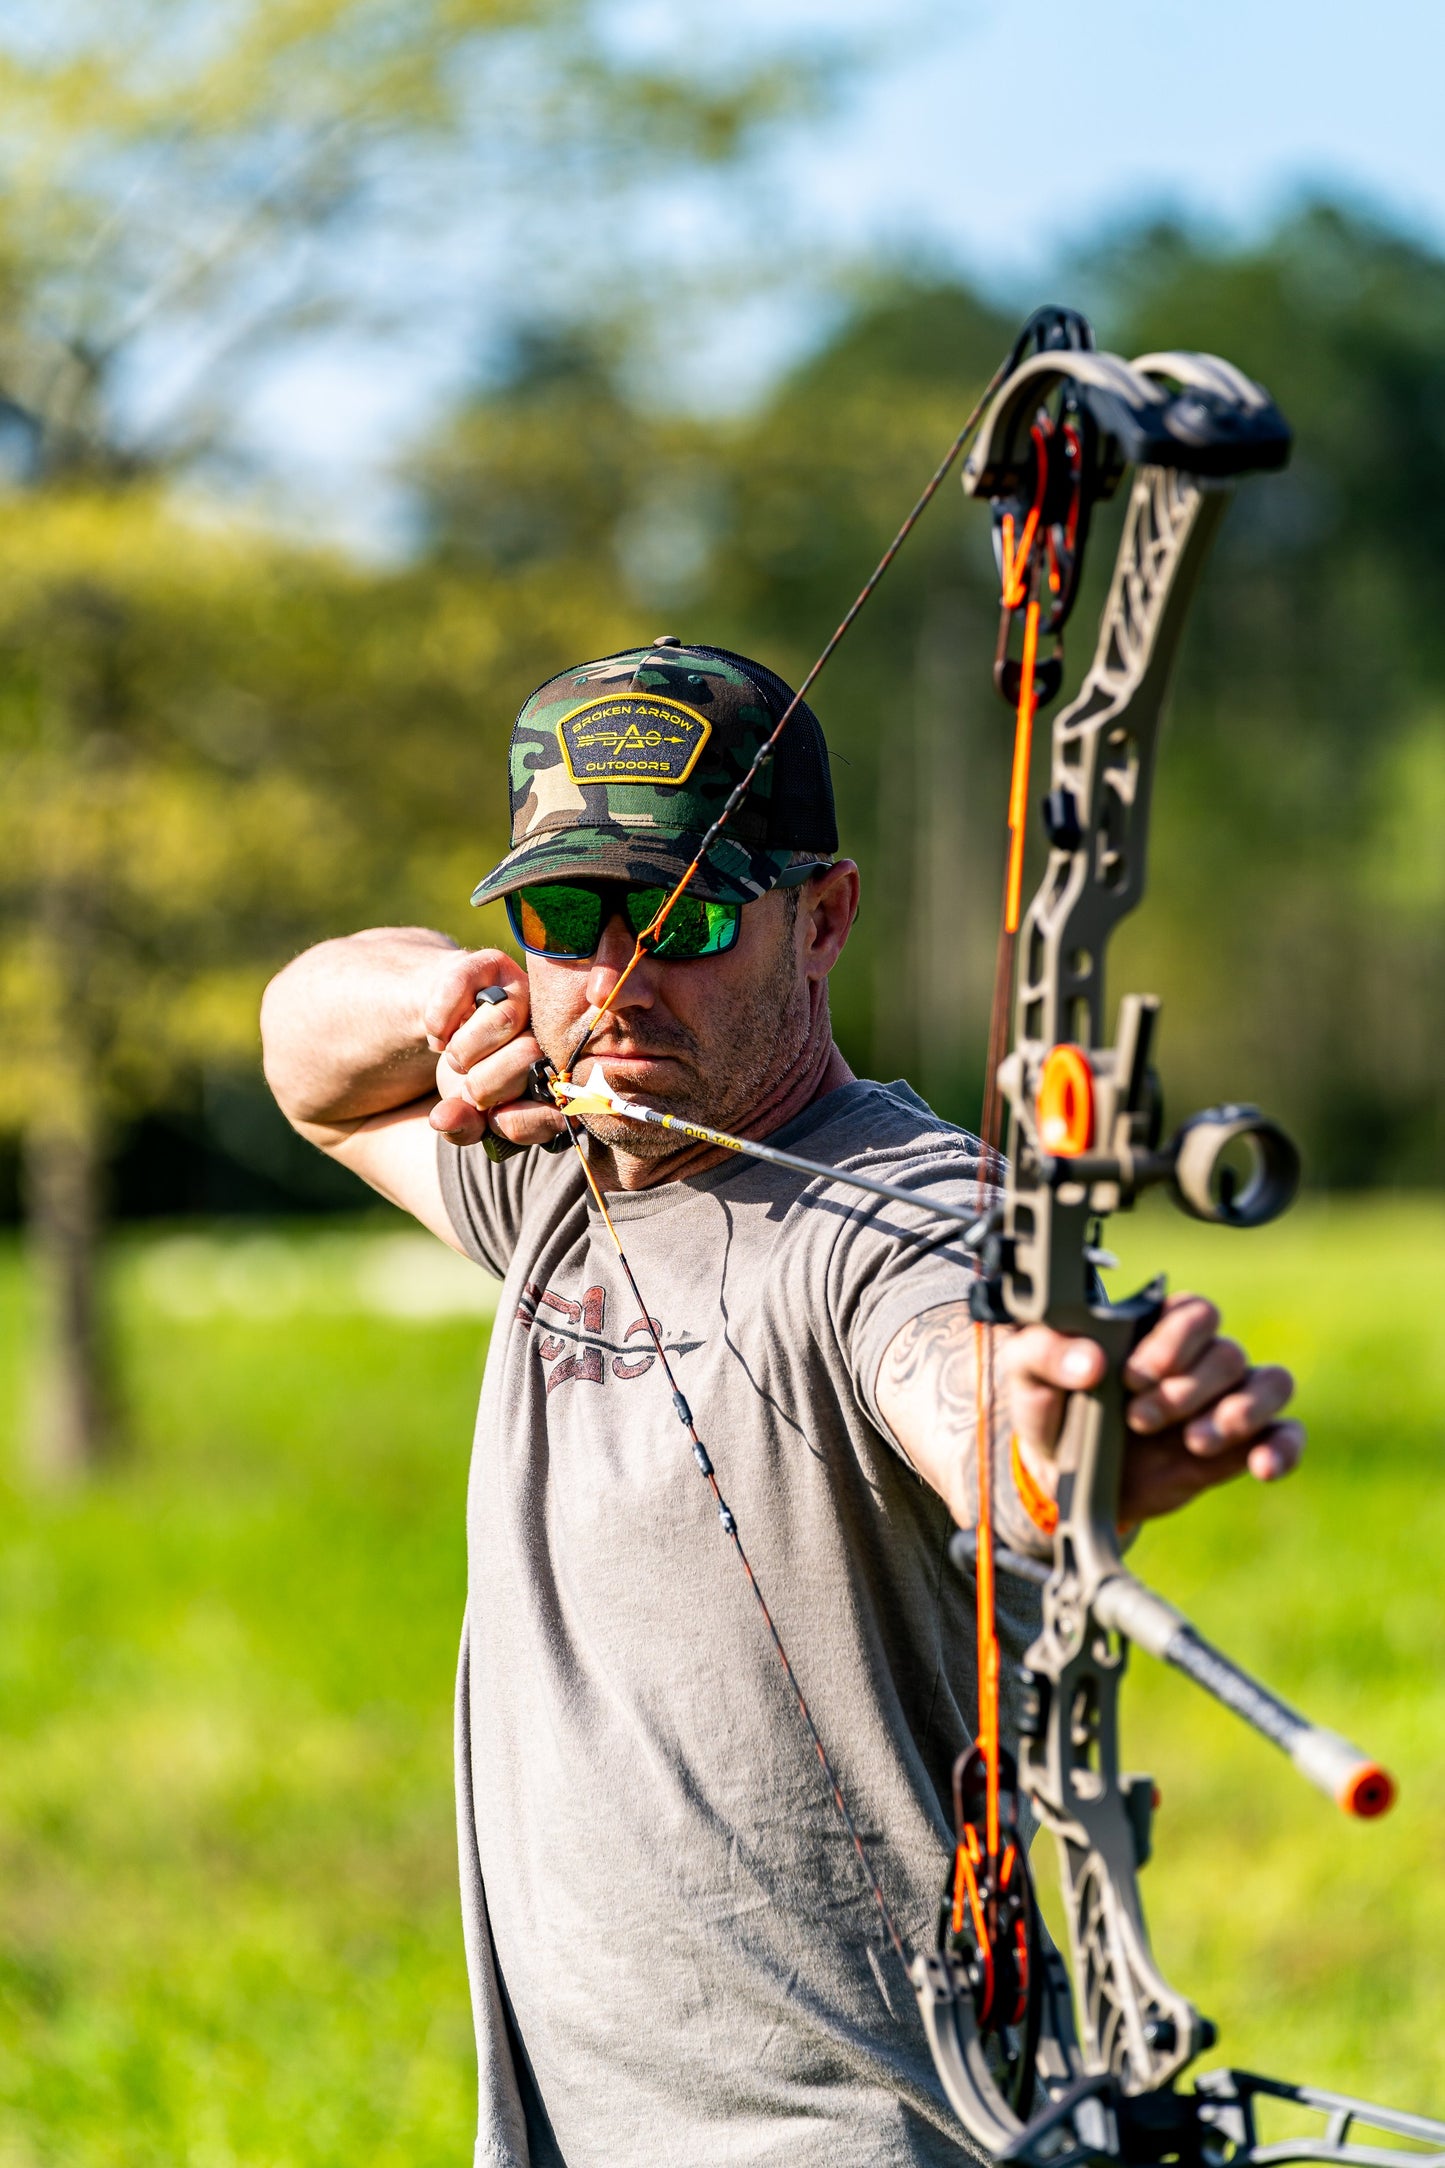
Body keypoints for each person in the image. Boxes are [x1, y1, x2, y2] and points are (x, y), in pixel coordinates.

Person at [260, 640, 1302, 2168]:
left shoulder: (895, 1206)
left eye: (687, 918)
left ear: (822, 918)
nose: (616, 980)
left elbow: (971, 1397)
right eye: (564, 919)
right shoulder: (558, 1177)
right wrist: (452, 996)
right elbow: (303, 1056)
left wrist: (1067, 1437)